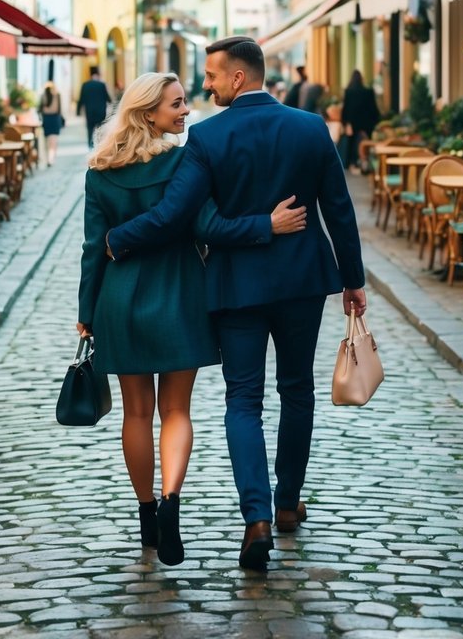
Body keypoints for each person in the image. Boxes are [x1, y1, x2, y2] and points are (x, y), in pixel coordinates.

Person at [106, 37, 367, 572]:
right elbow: (339, 210)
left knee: (242, 401)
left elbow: (184, 217)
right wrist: (353, 280)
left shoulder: (206, 138)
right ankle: (288, 500)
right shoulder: (310, 128)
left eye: (210, 76)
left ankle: (257, 518)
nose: (204, 86)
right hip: (302, 282)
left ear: (238, 78)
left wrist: (117, 238)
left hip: (235, 287)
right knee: (297, 390)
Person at [77, 72, 307, 567]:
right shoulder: (186, 161)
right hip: (179, 292)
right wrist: (262, 224)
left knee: (136, 412)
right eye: (177, 105)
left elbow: (93, 247)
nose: (186, 111)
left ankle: (146, 518)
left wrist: (85, 313)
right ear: (148, 113)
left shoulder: (99, 170)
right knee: (175, 411)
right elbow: (203, 224)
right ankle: (171, 506)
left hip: (119, 297)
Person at [340, 70, 381, 172]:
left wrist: (345, 122)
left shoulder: (348, 92)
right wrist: (377, 120)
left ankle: (350, 163)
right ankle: (367, 162)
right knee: (368, 142)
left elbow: (346, 108)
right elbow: (373, 108)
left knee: (351, 143)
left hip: (353, 122)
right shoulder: (368, 92)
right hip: (367, 122)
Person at [77, 66, 113, 148]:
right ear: (98, 74)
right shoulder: (102, 85)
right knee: (100, 128)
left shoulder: (85, 85)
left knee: (90, 128)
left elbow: (81, 99)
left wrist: (78, 111)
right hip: (100, 111)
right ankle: (99, 145)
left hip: (89, 111)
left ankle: (90, 145)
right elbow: (108, 99)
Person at [38, 81, 63, 168]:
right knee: (54, 140)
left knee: (47, 140)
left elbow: (40, 109)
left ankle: (47, 158)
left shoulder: (43, 96)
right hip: (55, 119)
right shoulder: (57, 95)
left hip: (46, 119)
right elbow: (59, 109)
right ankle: (51, 158)